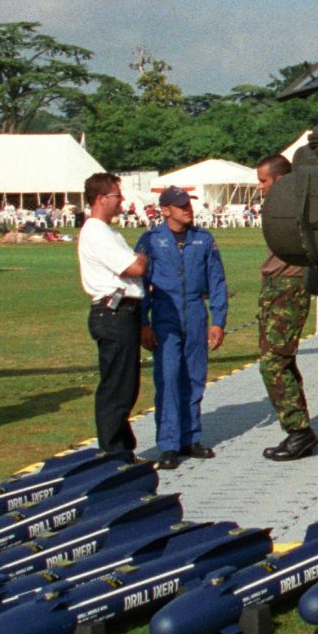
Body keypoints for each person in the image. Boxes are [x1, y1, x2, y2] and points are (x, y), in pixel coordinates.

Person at [138, 186, 228, 468]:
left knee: (194, 376)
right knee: (168, 377)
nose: (187, 210)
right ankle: (168, 444)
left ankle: (190, 438)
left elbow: (216, 280)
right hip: (166, 314)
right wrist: (143, 323)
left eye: (188, 205)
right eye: (180, 206)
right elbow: (139, 286)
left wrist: (218, 321)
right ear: (165, 210)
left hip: (195, 312)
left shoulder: (203, 239)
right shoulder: (151, 240)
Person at [77, 173, 148, 461]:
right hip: (112, 311)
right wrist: (143, 256)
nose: (121, 201)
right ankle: (113, 453)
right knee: (116, 387)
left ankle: (121, 448)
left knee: (125, 384)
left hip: (122, 311)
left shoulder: (108, 231)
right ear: (100, 198)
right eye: (117, 196)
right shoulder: (96, 231)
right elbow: (135, 268)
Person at [254, 155, 318, 461]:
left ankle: (299, 432)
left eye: (264, 181)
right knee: (280, 361)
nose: (261, 188)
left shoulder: (296, 204)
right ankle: (299, 430)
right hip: (274, 286)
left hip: (289, 287)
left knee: (273, 363)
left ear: (279, 180)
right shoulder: (280, 205)